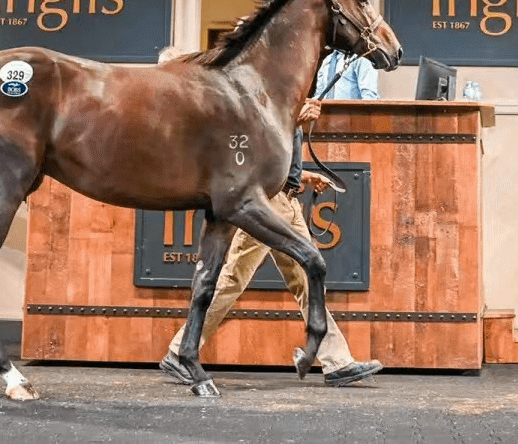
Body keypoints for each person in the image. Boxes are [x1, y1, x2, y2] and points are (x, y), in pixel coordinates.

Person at [157, 46, 382, 387]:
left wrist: (304, 177)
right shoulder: (247, 91)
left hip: (281, 197)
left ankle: (336, 361)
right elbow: (247, 146)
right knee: (252, 276)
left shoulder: (271, 89)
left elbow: (273, 153)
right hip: (266, 201)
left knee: (298, 276)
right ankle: (179, 352)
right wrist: (296, 118)